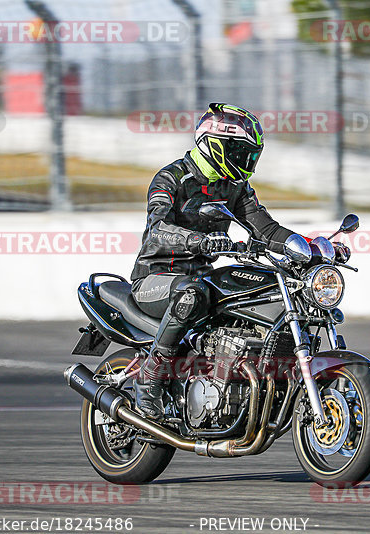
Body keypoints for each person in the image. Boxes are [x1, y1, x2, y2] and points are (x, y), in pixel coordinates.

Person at [129, 103, 304, 420]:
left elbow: (266, 229)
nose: (245, 161)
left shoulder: (234, 187)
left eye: (249, 154)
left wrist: (306, 247)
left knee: (254, 289)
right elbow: (158, 228)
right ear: (215, 144)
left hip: (201, 278)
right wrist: (198, 240)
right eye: (239, 151)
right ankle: (148, 382)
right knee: (191, 294)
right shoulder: (171, 178)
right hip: (155, 279)